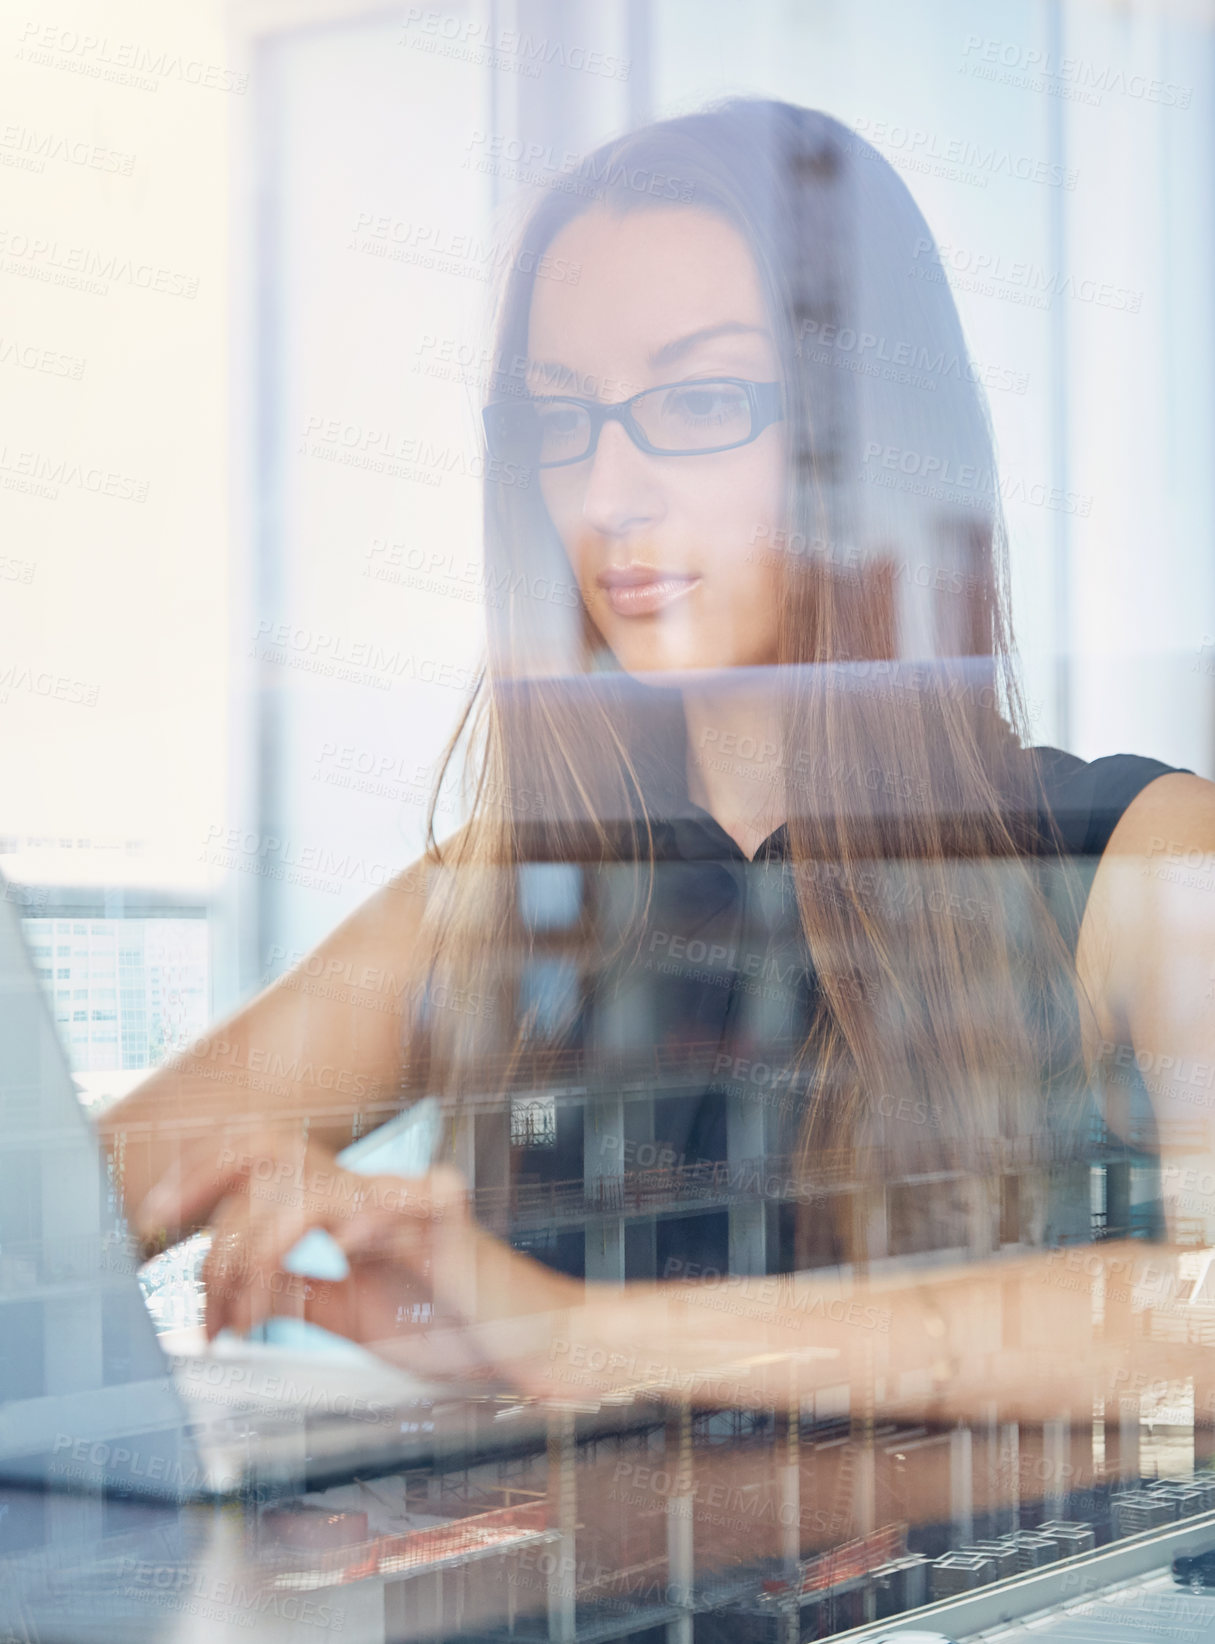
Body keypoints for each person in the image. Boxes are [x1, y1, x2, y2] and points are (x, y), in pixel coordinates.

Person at [100, 99, 1215, 1431]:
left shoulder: (1139, 858)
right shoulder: (498, 897)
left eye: (697, 401)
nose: (609, 492)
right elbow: (78, 1206)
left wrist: (571, 1336)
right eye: (561, 421)